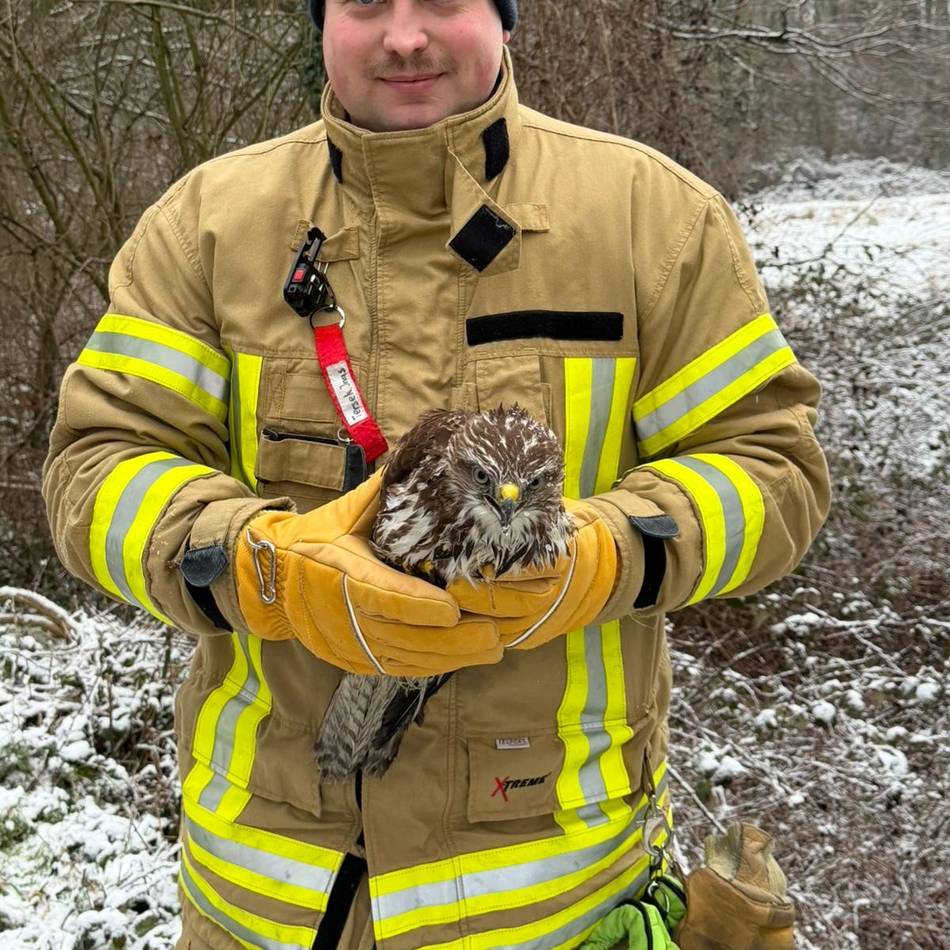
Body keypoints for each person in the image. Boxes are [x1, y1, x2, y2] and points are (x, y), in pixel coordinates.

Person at [42, 1, 830, 947]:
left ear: (502, 18)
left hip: (558, 906)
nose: (404, 35)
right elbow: (95, 466)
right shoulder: (209, 224)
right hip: (263, 908)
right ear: (320, 22)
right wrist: (265, 570)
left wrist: (604, 559)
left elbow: (771, 469)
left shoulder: (651, 220)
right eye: (365, 1)